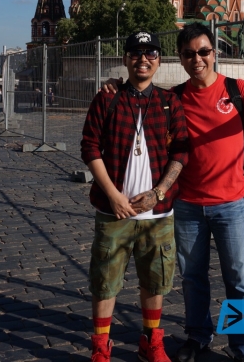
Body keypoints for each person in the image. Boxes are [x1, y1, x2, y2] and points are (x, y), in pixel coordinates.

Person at [104, 23, 244, 362]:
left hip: (230, 204)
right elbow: (139, 94)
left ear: (214, 53)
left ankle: (242, 345)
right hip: (188, 205)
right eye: (189, 54)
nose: (198, 59)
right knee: (192, 278)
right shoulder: (173, 98)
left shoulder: (235, 89)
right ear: (180, 58)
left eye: (204, 52)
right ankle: (197, 336)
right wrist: (114, 85)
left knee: (238, 279)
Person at [81, 31, 189, 362]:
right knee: (105, 280)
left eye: (151, 53)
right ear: (126, 59)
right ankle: (101, 345)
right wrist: (113, 195)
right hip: (114, 210)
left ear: (159, 60)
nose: (143, 59)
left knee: (156, 280)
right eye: (136, 53)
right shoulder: (108, 98)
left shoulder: (169, 102)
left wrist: (159, 192)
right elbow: (90, 147)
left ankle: (151, 340)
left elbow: (181, 152)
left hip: (158, 214)